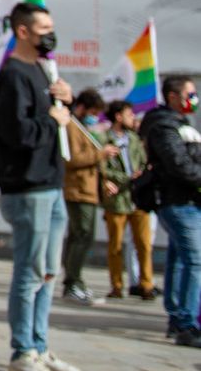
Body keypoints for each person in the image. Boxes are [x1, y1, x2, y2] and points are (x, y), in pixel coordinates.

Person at [0, 2, 82, 371]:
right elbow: (17, 133)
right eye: (44, 29)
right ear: (23, 31)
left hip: (51, 183)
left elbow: (51, 121)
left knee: (48, 273)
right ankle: (23, 350)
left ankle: (41, 345)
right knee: (30, 273)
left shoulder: (43, 71)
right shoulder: (13, 75)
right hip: (28, 188)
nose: (50, 35)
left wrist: (66, 103)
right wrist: (52, 118)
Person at [139, 74, 201, 346]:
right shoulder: (164, 125)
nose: (194, 99)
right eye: (190, 93)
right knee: (196, 262)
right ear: (174, 96)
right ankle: (187, 324)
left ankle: (178, 319)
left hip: (186, 201)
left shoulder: (180, 123)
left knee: (179, 260)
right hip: (178, 202)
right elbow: (179, 165)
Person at [61, 88, 118, 306]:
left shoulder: (84, 127)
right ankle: (72, 281)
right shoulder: (71, 126)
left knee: (81, 236)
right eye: (93, 111)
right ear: (83, 107)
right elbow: (73, 159)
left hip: (89, 189)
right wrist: (100, 154)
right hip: (77, 189)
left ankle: (75, 280)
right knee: (83, 235)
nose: (95, 116)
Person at [97, 99, 155, 301]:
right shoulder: (104, 140)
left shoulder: (134, 139)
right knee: (116, 245)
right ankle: (116, 285)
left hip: (138, 198)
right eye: (129, 114)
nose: (133, 118)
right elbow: (102, 169)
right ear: (118, 116)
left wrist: (142, 176)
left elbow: (144, 163)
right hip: (117, 199)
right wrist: (125, 178)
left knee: (144, 244)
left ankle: (146, 284)